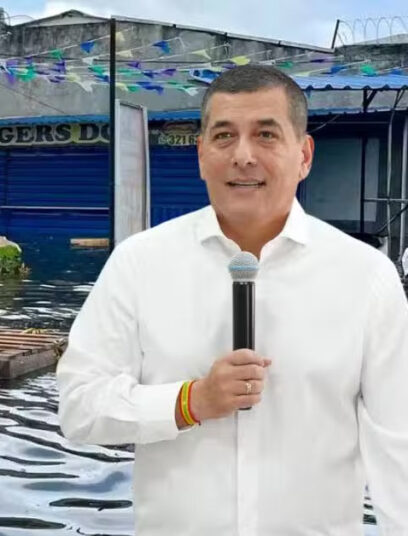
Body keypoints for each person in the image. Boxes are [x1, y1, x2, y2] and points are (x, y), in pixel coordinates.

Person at [56, 65, 408, 534]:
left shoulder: (365, 277)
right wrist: (190, 401)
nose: (243, 156)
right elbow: (80, 407)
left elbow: (399, 444)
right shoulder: (140, 263)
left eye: (266, 135)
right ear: (201, 154)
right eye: (224, 136)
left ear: (303, 155)